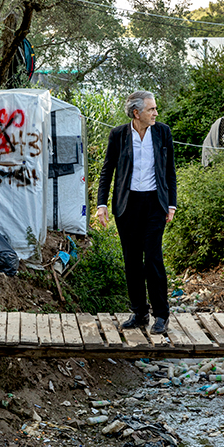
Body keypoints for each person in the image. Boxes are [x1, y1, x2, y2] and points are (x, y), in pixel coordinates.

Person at [95, 91, 177, 335]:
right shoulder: (118, 135)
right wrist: (101, 204)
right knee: (132, 260)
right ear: (136, 113)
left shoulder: (163, 132)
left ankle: (161, 315)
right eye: (151, 109)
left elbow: (170, 171)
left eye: (155, 109)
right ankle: (140, 313)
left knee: (153, 258)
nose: (156, 113)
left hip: (155, 203)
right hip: (127, 205)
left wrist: (171, 204)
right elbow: (107, 171)